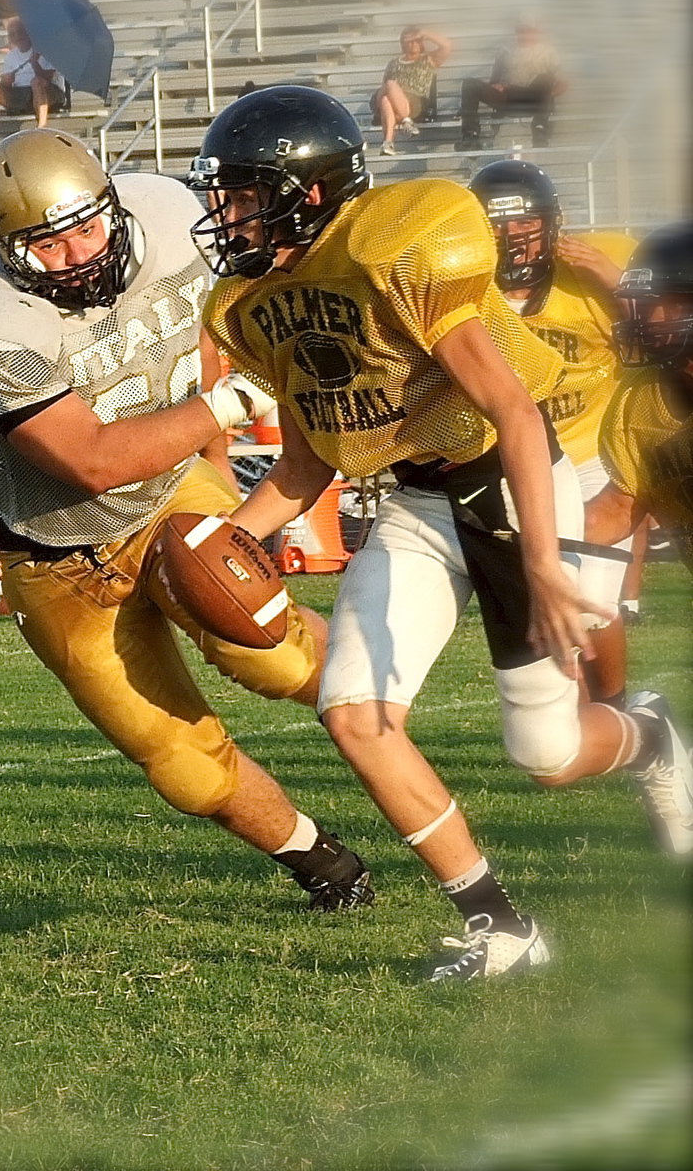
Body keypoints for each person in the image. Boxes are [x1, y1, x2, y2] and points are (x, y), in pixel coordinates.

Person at [191, 85, 693, 981]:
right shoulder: (252, 300)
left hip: (504, 482)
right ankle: (499, 926)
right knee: (354, 715)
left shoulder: (398, 247)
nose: (228, 213)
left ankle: (648, 737)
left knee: (545, 754)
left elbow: (513, 410)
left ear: (307, 191)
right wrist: (225, 542)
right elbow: (308, 464)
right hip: (415, 502)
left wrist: (542, 560)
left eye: (243, 191)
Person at [0, 127, 375, 914]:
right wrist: (229, 406)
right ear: (3, 251)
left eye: (87, 228)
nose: (78, 255)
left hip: (171, 495)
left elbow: (200, 330)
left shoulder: (165, 214)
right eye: (47, 246)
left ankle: (400, 752)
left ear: (114, 208)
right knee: (182, 764)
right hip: (54, 557)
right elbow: (88, 460)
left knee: (278, 658)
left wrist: (217, 462)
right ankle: (323, 863)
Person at [467, 160, 637, 708]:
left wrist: (617, 282)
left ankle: (615, 706)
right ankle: (583, 713)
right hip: (513, 459)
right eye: (498, 227)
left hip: (592, 454)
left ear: (552, 223)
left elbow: (668, 328)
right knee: (542, 595)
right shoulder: (461, 286)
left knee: (587, 593)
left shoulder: (594, 267)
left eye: (526, 225)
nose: (514, 241)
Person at [586, 220, 693, 577]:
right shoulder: (641, 397)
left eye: (666, 304)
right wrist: (537, 535)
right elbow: (620, 507)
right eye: (645, 305)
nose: (648, 320)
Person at [455, 16, 566, 151]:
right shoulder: (505, 50)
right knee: (469, 84)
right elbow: (494, 81)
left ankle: (539, 129)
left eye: (529, 30)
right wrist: (495, 86)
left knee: (546, 77)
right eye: (522, 29)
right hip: (507, 98)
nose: (525, 33)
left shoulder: (548, 52)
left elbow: (562, 83)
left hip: (533, 100)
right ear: (517, 31)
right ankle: (470, 136)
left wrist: (548, 95)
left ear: (536, 32)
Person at [0, 15, 66, 133]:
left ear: (28, 32)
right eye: (12, 34)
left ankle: (42, 127)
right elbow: (6, 86)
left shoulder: (44, 50)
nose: (17, 36)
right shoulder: (10, 56)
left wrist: (35, 64)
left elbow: (49, 77)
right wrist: (6, 81)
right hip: (20, 93)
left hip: (48, 91)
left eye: (20, 32)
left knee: (36, 81)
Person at [370, 25, 451, 157]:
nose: (412, 44)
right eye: (408, 41)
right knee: (389, 88)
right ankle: (406, 122)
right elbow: (384, 85)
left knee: (387, 97)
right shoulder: (393, 63)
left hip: (414, 101)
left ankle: (388, 142)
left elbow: (446, 45)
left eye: (416, 40)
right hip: (389, 99)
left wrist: (425, 33)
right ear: (403, 44)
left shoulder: (427, 60)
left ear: (421, 42)